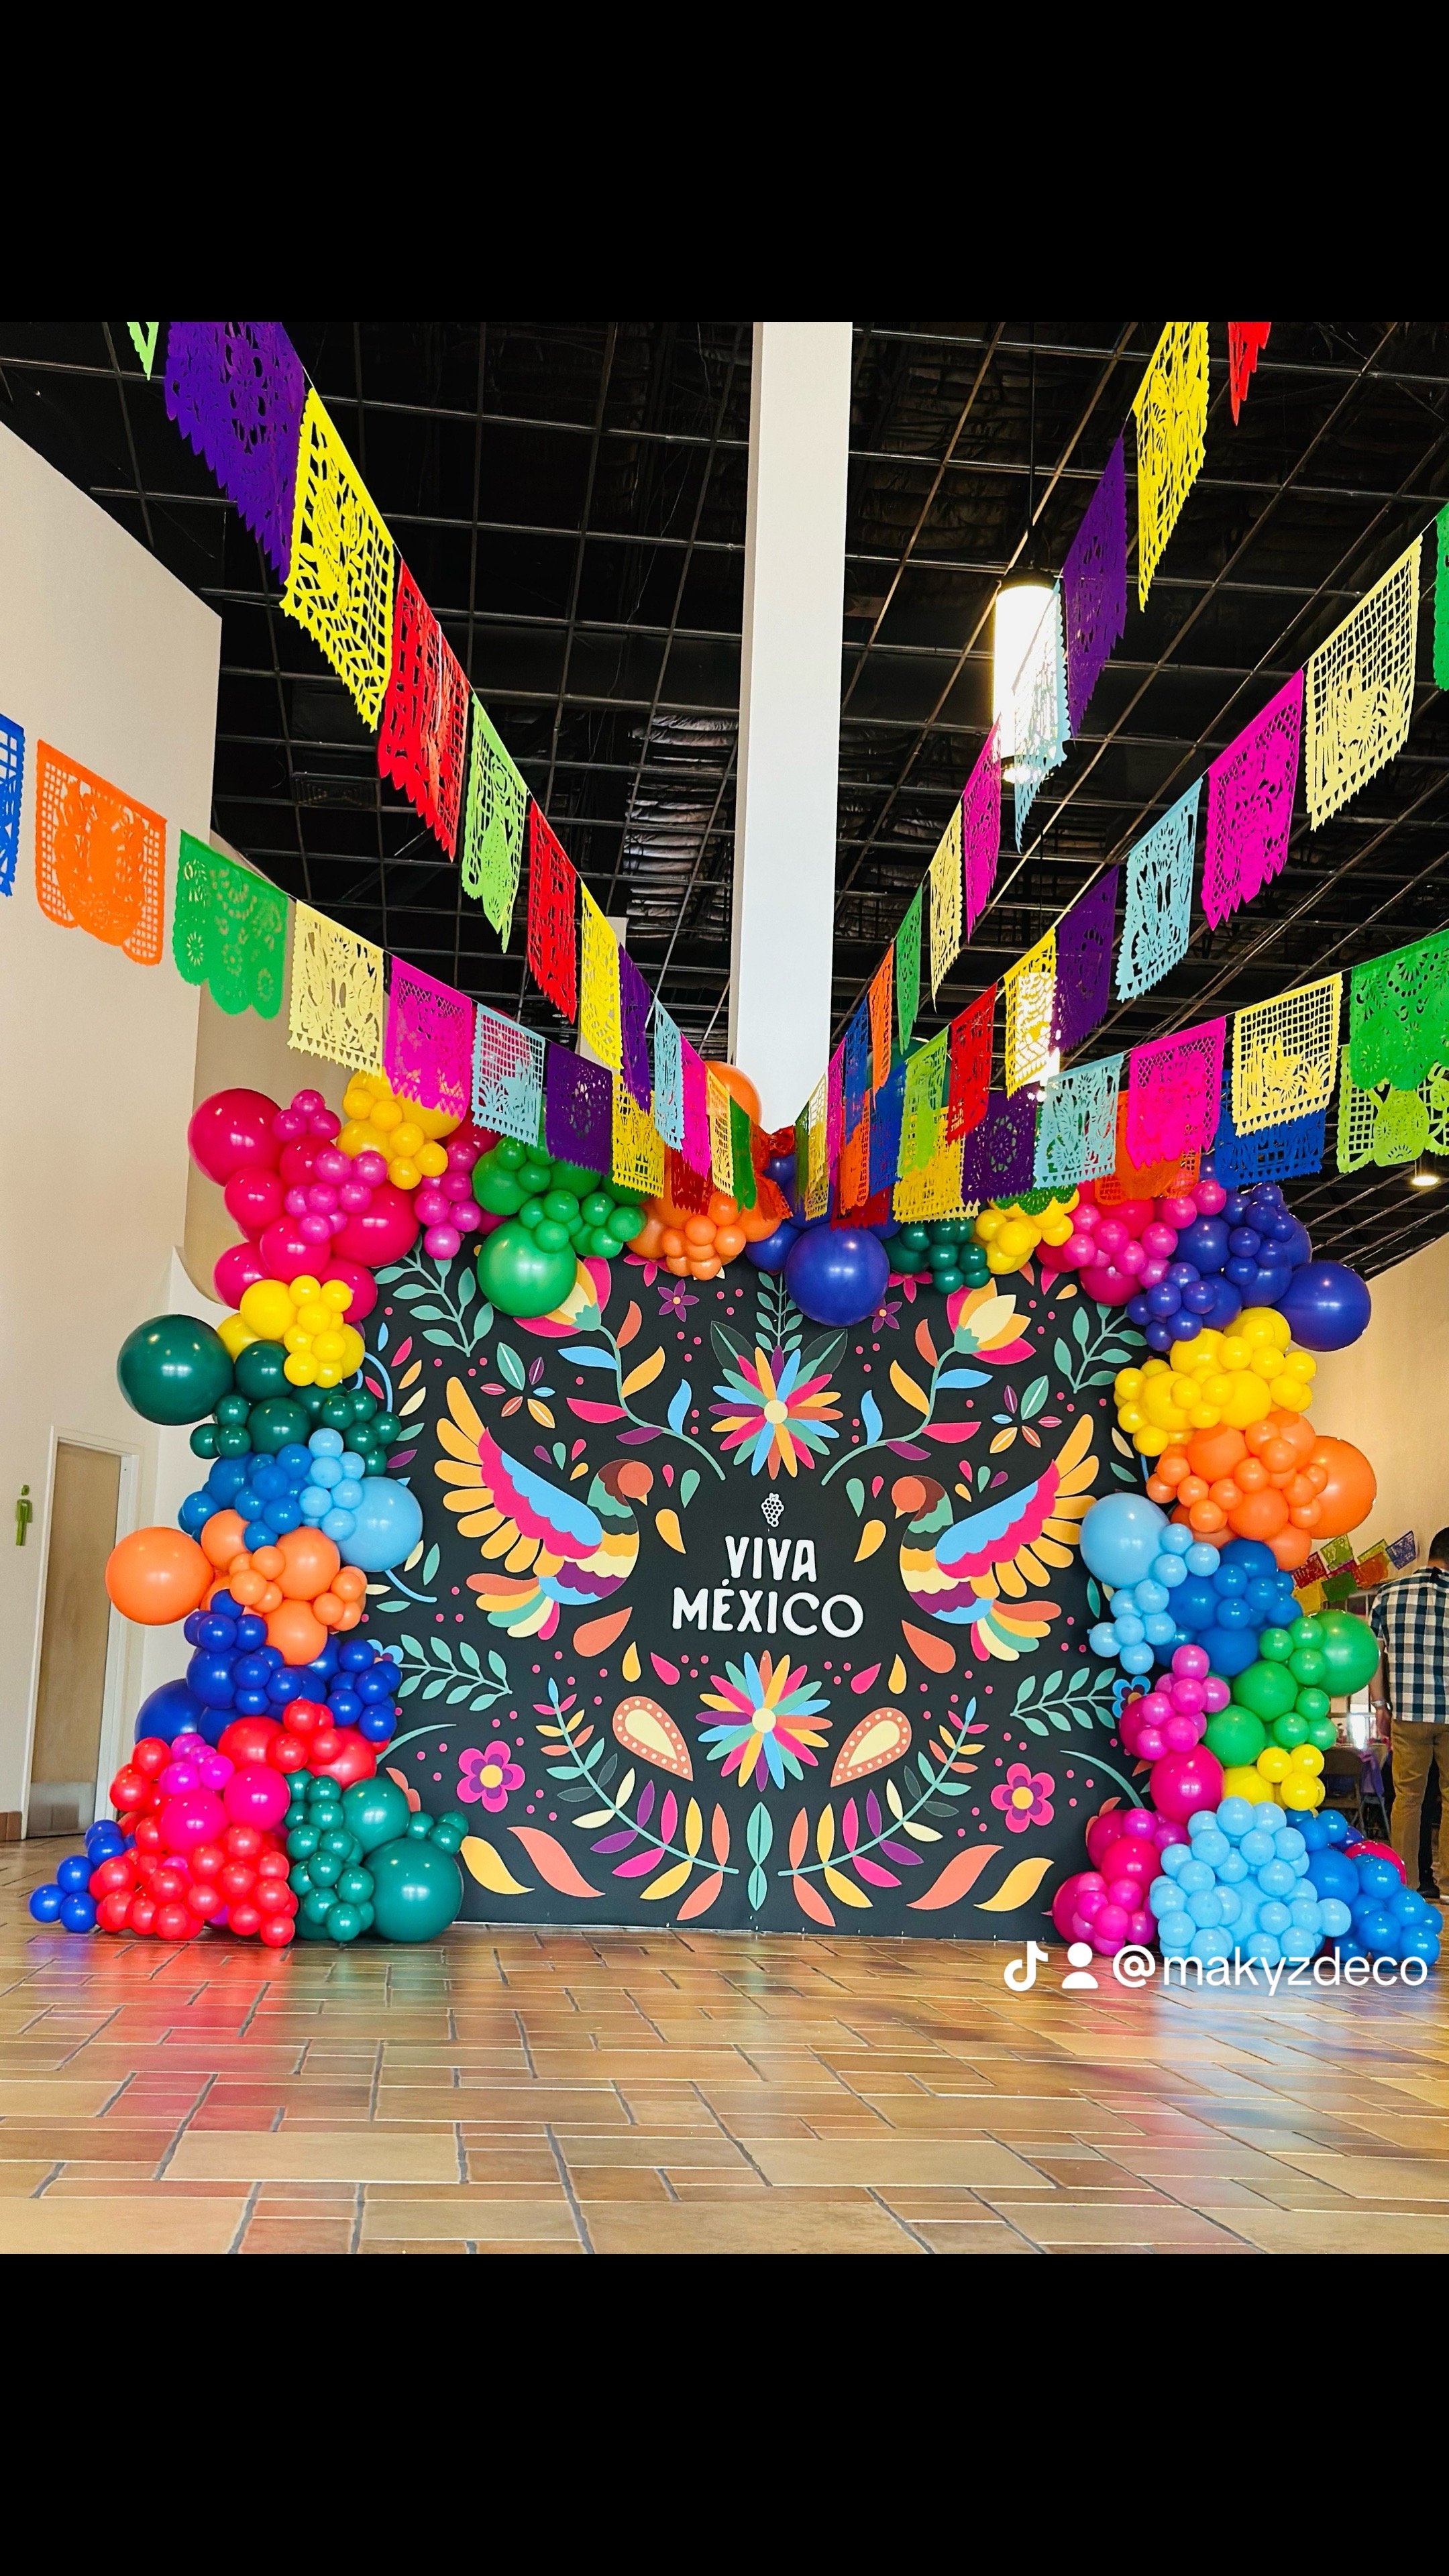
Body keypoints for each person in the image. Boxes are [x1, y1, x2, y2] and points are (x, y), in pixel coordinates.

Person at [1370, 1529, 1449, 1900]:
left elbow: (1374, 1657)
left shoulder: (1388, 1594)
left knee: (1407, 1799)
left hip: (1408, 1713)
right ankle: (1448, 1886)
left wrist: (1380, 1706)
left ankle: (1406, 1884)